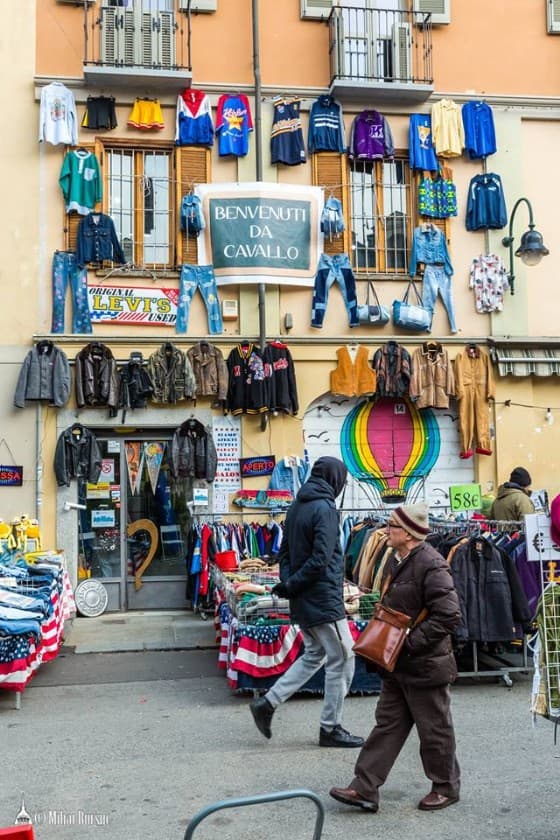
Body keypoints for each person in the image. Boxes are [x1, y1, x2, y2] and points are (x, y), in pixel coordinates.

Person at [330, 502, 461, 813]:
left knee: (434, 729)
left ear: (410, 534)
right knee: (387, 725)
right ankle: (364, 788)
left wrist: (409, 643)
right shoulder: (399, 559)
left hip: (424, 665)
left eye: (391, 526)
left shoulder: (431, 564)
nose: (385, 530)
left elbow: (449, 614)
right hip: (398, 665)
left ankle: (446, 787)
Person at [249, 456, 364, 748]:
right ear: (335, 479)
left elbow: (284, 552)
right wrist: (294, 584)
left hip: (304, 596)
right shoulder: (325, 508)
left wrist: (289, 584)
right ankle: (331, 727)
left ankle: (268, 703)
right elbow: (321, 559)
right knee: (343, 658)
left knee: (315, 654)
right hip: (322, 598)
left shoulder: (297, 506)